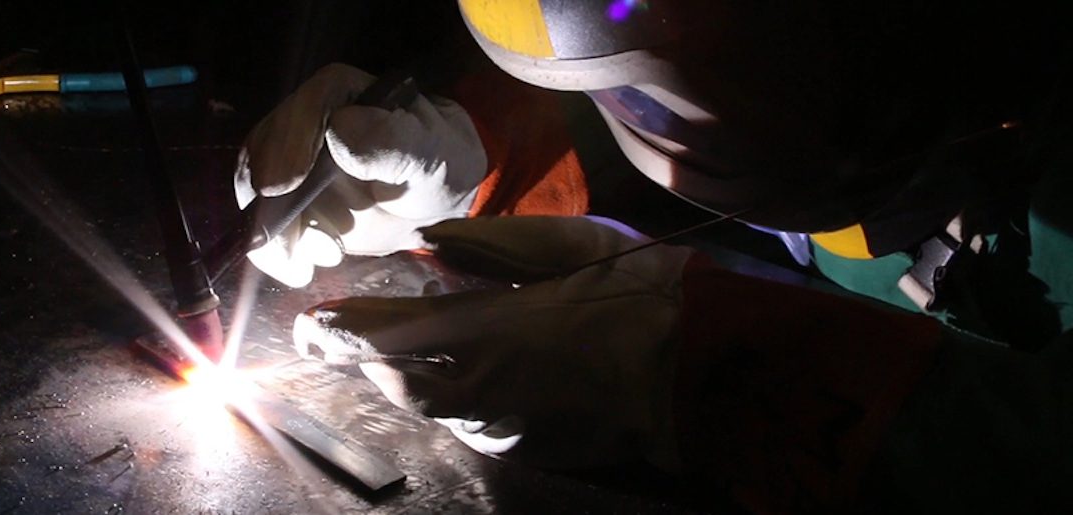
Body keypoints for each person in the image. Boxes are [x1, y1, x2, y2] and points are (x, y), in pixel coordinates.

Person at [234, 0, 1072, 512]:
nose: (627, 118)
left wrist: (718, 364)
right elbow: (666, 111)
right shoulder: (784, 103)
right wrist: (480, 157)